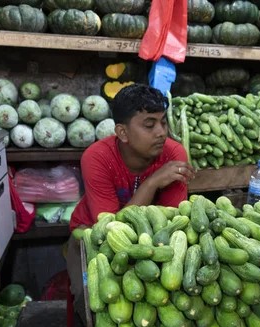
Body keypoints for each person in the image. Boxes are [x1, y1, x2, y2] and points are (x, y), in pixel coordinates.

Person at [69, 83, 196, 230]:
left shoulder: (174, 155)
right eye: (149, 125)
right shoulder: (97, 157)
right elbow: (110, 229)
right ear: (122, 132)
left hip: (149, 235)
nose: (161, 132)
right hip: (91, 229)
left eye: (163, 122)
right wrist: (152, 183)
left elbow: (172, 223)